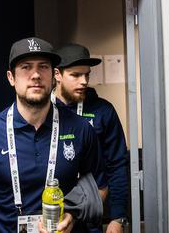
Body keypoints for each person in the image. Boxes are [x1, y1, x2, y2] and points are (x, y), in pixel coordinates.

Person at [0, 37, 106, 232]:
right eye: (26, 67)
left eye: (43, 67)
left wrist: (73, 214)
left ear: (53, 75)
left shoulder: (81, 129)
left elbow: (100, 187)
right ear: (11, 78)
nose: (36, 75)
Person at [52, 44, 130, 233]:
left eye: (87, 74)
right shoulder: (42, 111)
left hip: (89, 216)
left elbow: (117, 165)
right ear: (57, 74)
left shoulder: (103, 111)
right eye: (76, 75)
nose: (84, 81)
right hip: (50, 213)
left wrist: (118, 217)